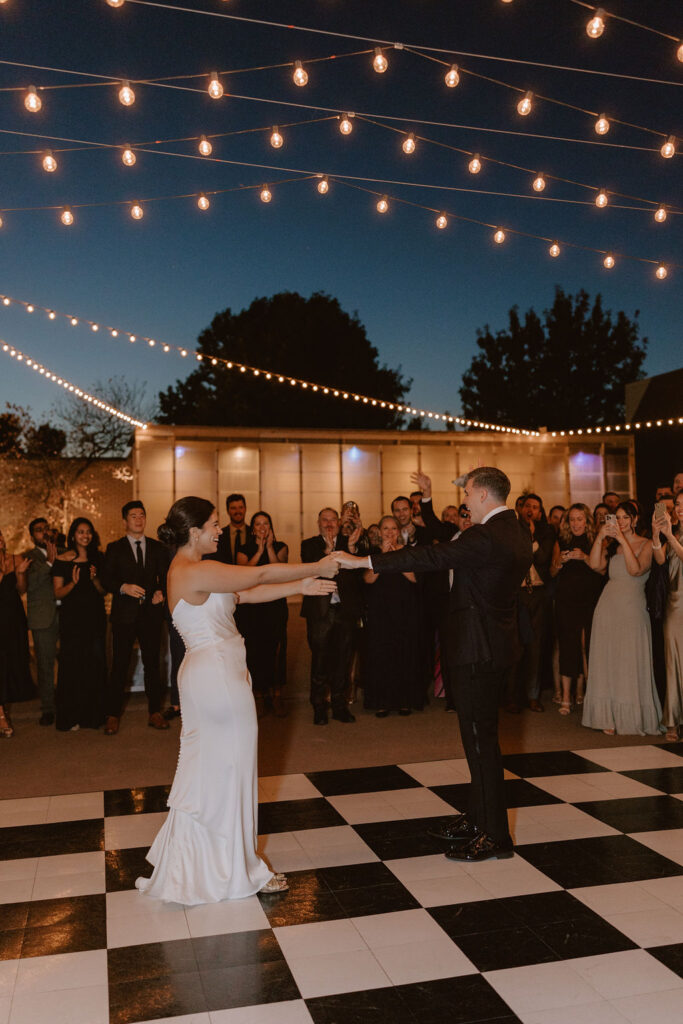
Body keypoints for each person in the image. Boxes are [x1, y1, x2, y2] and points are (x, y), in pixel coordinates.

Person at [136, 496, 338, 904]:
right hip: (218, 679)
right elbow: (258, 573)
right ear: (194, 531)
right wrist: (315, 566)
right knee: (234, 770)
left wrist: (299, 587)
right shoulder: (196, 568)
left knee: (210, 771)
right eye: (213, 524)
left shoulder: (188, 571)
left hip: (210, 675)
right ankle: (239, 868)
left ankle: (203, 862)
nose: (220, 529)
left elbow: (243, 596)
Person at [335, 467, 532, 863]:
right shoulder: (516, 529)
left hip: (477, 650)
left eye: (468, 495)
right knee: (480, 743)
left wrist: (363, 561)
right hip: (493, 645)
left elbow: (431, 555)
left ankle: (495, 836)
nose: (465, 503)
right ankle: (478, 819)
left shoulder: (485, 535)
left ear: (481, 496)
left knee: (481, 745)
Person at [582, 501, 661, 736]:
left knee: (629, 659)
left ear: (635, 520)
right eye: (617, 518)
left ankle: (631, 715)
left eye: (626, 517)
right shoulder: (611, 545)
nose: (621, 522)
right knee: (608, 659)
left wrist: (623, 540)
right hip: (607, 607)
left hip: (632, 609)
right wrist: (600, 537)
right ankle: (608, 716)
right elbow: (595, 566)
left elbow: (636, 569)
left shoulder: (646, 544)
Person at [102, 500, 170, 735]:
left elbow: (165, 577)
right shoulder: (114, 548)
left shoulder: (157, 548)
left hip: (151, 614)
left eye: (142, 515)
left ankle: (155, 711)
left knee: (153, 663)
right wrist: (123, 587)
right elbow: (105, 579)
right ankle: (112, 714)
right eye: (133, 516)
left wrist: (161, 592)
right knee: (120, 665)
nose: (139, 519)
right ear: (125, 521)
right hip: (124, 615)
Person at [300, 508, 362, 725]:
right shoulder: (309, 545)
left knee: (343, 661)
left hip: (345, 612)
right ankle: (318, 706)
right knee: (319, 661)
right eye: (324, 520)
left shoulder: (350, 543)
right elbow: (310, 570)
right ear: (318, 523)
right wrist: (327, 552)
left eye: (332, 520)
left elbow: (357, 575)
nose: (328, 524)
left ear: (338, 522)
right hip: (320, 612)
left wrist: (352, 548)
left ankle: (339, 705)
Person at [51, 518, 107, 732]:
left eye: (89, 532)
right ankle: (70, 716)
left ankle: (92, 716)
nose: (86, 535)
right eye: (81, 532)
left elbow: (103, 591)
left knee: (94, 663)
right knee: (73, 665)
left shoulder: (97, 558)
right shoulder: (62, 560)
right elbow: (57, 593)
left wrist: (93, 579)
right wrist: (73, 583)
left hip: (94, 618)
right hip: (72, 620)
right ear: (73, 535)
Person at [363, 516, 420, 716]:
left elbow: (413, 578)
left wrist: (397, 556)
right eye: (385, 529)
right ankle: (382, 701)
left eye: (393, 529)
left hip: (404, 611)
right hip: (381, 612)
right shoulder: (372, 554)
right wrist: (384, 557)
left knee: (403, 653)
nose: (389, 532)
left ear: (398, 531)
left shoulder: (407, 552)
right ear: (379, 532)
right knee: (381, 655)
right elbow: (369, 580)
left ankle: (404, 700)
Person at [549, 505, 602, 715]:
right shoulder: (561, 540)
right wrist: (560, 562)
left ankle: (585, 693)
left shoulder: (595, 539)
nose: (576, 523)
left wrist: (584, 558)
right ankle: (565, 697)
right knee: (567, 645)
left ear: (586, 521)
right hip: (565, 600)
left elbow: (602, 569)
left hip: (589, 600)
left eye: (579, 519)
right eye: (572, 520)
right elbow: (552, 572)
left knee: (587, 646)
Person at [237, 511, 289, 717]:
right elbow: (244, 576)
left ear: (271, 526)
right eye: (257, 524)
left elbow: (280, 572)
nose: (262, 527)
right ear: (252, 529)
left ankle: (275, 693)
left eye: (265, 523)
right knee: (254, 650)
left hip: (275, 605)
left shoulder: (280, 547)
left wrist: (268, 548)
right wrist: (258, 552)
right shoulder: (243, 549)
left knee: (275, 649)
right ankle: (258, 695)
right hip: (251, 608)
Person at [506, 493, 555, 713]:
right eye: (527, 506)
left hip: (538, 593)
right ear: (520, 508)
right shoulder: (511, 530)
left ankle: (533, 696)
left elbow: (544, 559)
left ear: (540, 512)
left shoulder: (546, 531)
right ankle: (511, 697)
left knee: (535, 646)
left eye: (535, 507)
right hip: (516, 594)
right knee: (515, 647)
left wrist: (533, 538)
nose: (530, 510)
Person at [18, 518, 60, 725]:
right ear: (32, 535)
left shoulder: (63, 551)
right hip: (42, 618)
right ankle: (48, 709)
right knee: (45, 665)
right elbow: (30, 585)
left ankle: (68, 703)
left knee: (70, 661)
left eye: (46, 529)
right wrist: (50, 562)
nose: (43, 533)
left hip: (66, 615)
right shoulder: (27, 558)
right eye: (38, 530)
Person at [653, 492, 683, 741]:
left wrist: (670, 536)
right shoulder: (675, 532)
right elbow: (661, 559)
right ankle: (672, 720)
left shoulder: (676, 535)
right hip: (674, 606)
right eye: (679, 505)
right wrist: (656, 534)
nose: (681, 509)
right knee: (672, 663)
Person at [0, 531, 34, 738]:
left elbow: (22, 589)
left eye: (1, 536)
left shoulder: (16, 559)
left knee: (10, 665)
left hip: (13, 620)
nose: (0, 540)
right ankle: (2, 715)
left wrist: (20, 573)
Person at [209, 493, 248, 566]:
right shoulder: (218, 535)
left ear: (245, 509)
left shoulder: (254, 533)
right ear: (227, 511)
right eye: (233, 508)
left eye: (241, 507)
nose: (238, 511)